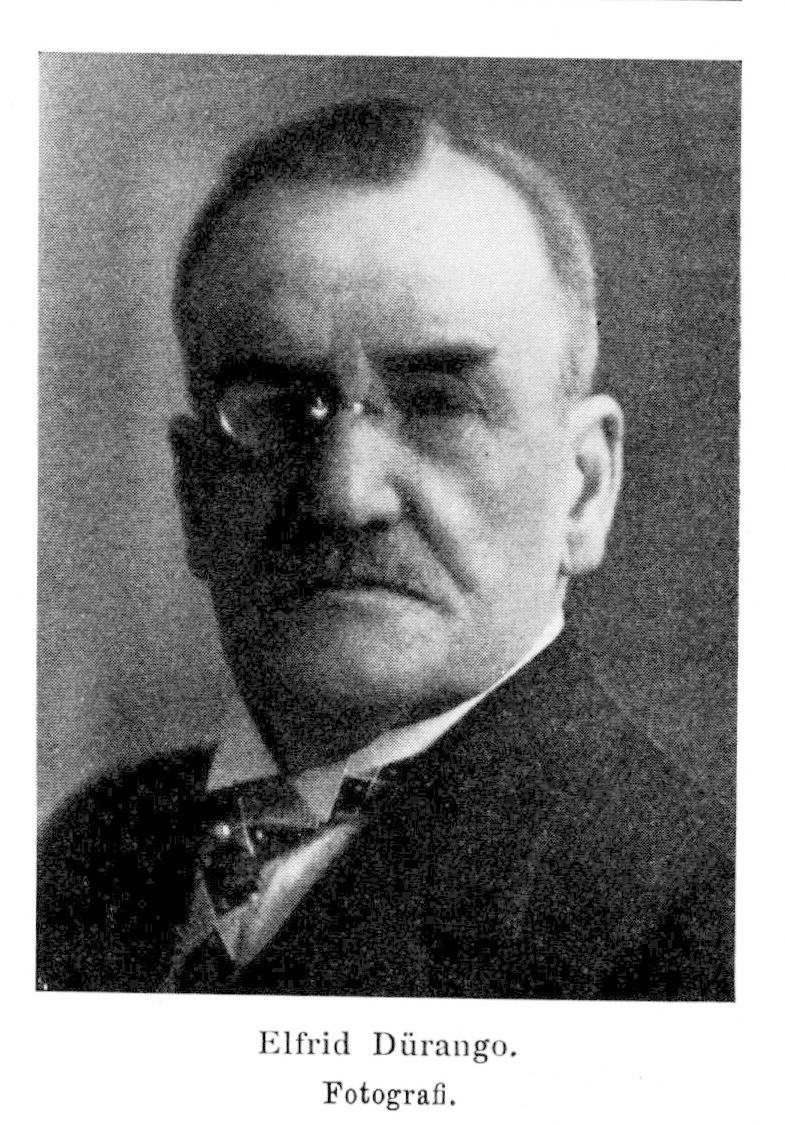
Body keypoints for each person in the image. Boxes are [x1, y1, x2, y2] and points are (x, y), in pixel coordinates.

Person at [37, 99, 733, 998]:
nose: (344, 494)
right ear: (195, 491)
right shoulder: (97, 845)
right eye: (275, 409)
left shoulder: (701, 925)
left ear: (584, 487)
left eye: (441, 404)